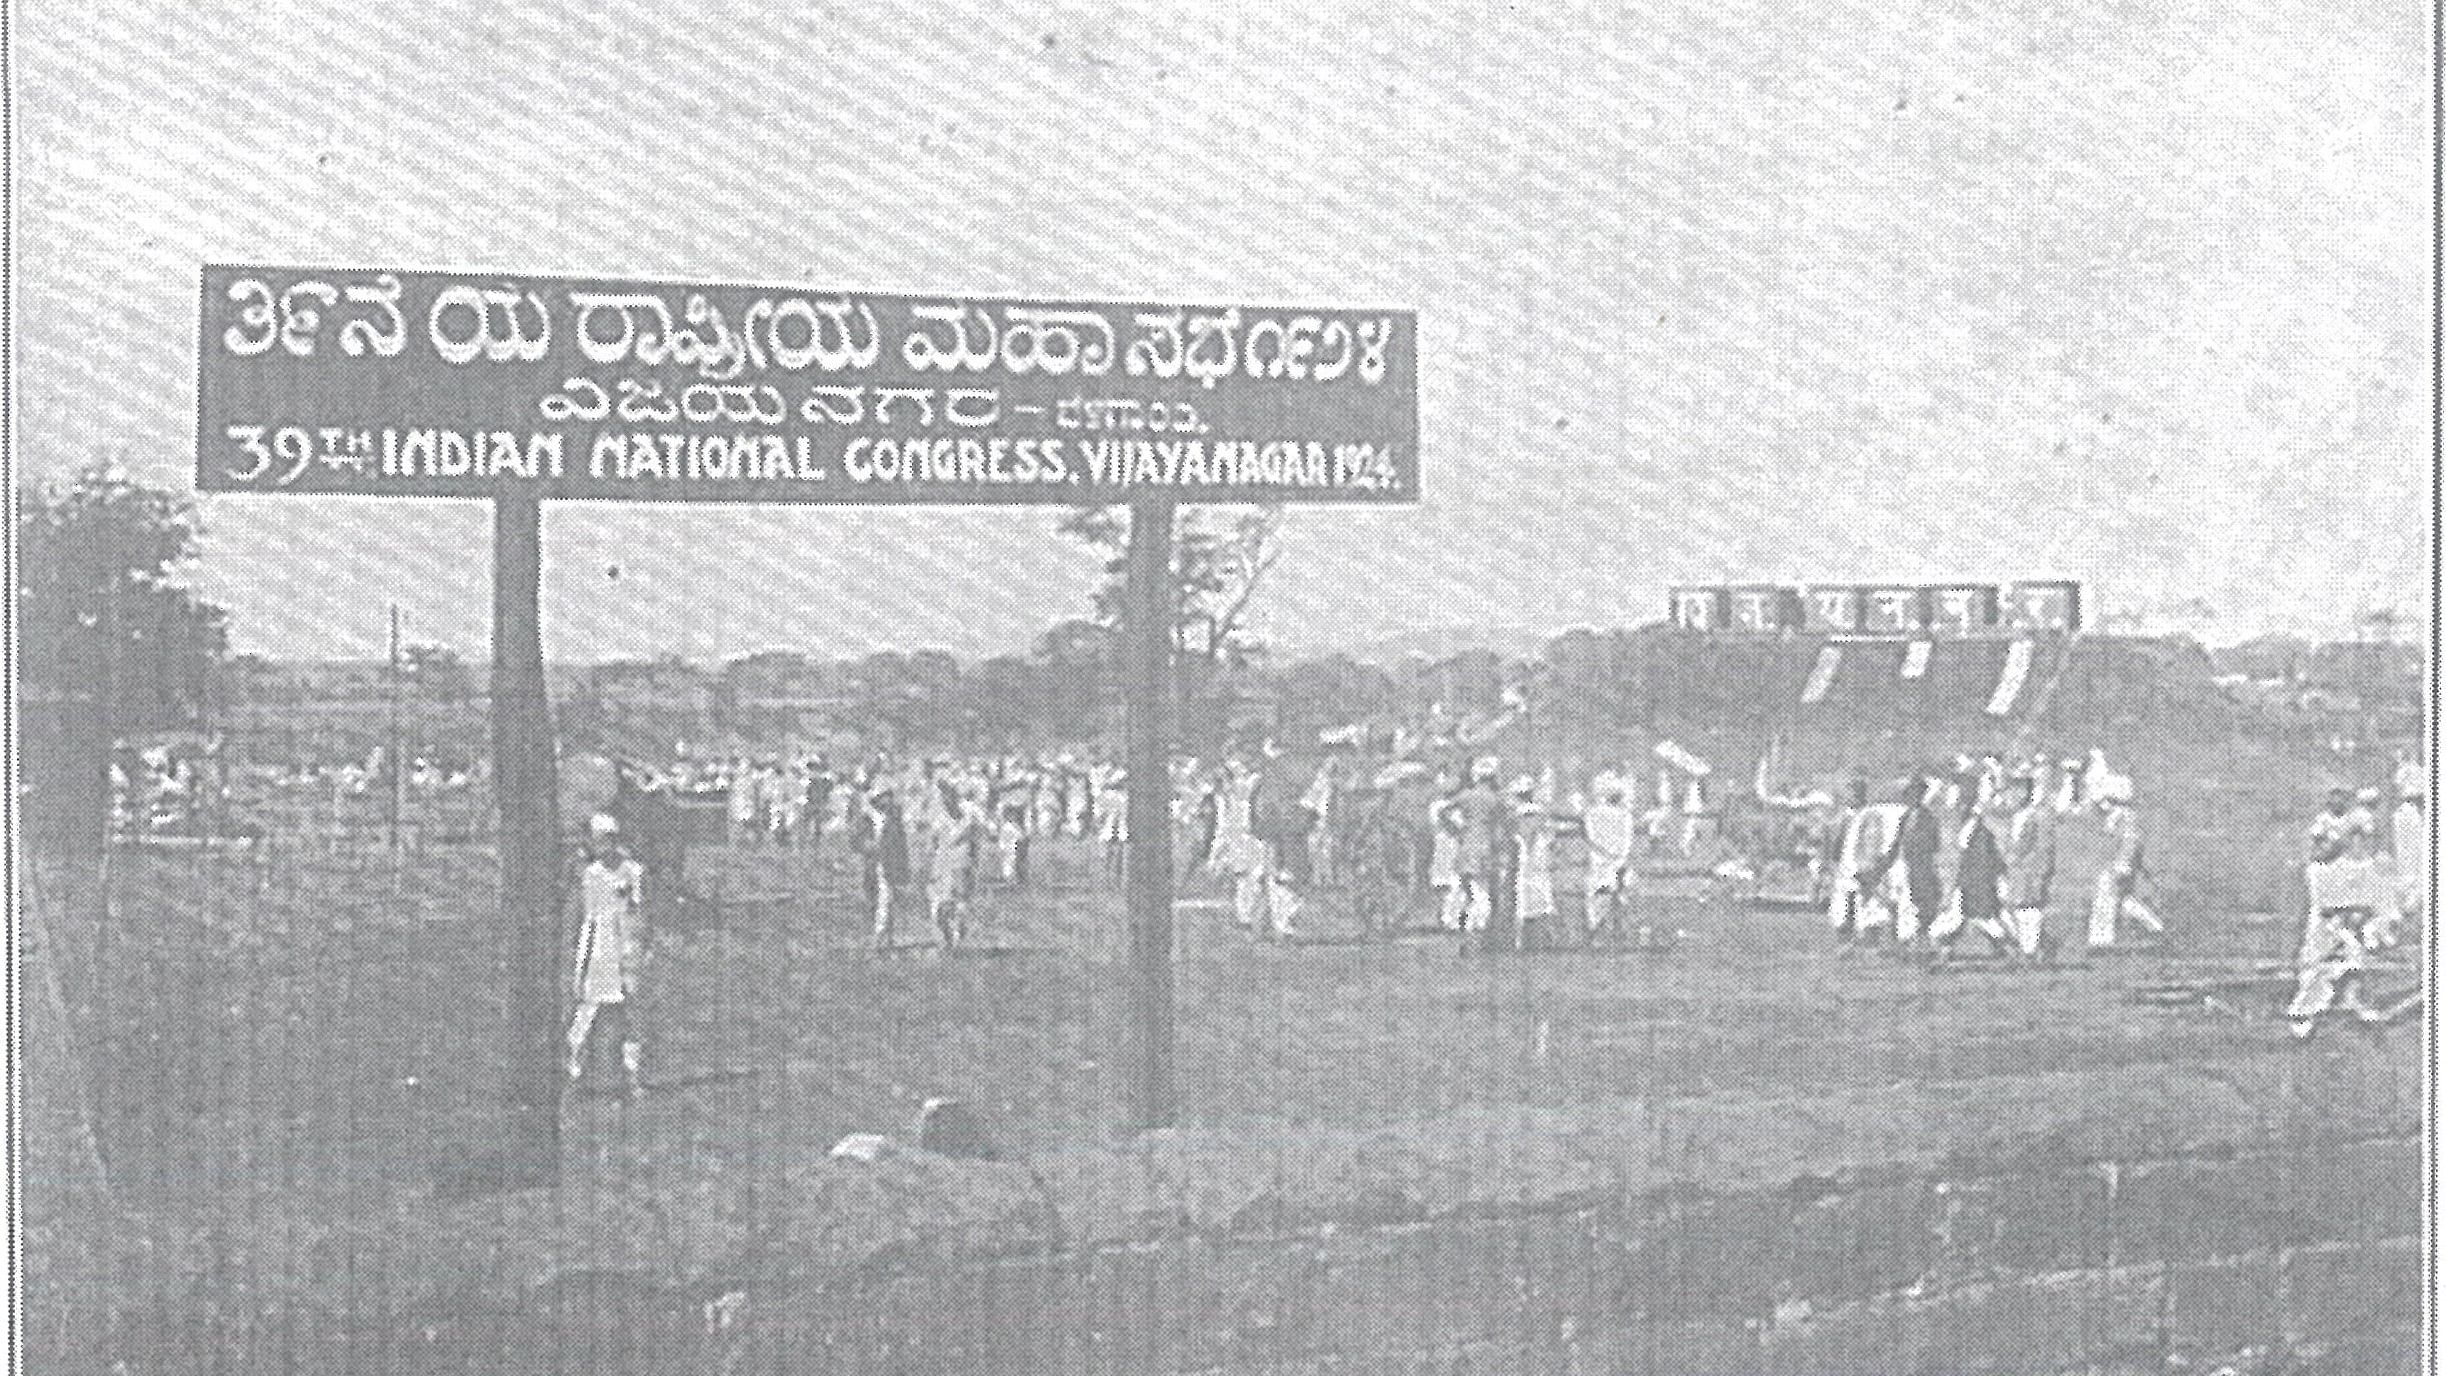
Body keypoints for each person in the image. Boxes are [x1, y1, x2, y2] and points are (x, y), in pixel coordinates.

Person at [566, 814, 647, 1099]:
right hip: (599, 950)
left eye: (609, 839)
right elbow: (588, 918)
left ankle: (632, 1076)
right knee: (587, 1010)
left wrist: (635, 949)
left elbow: (637, 913)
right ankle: (574, 1075)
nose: (603, 846)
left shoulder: (633, 871)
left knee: (631, 1015)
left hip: (626, 949)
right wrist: (583, 959)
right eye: (598, 840)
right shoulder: (590, 874)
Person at [2088, 778, 2163, 948]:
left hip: (2119, 865)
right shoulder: (2118, 816)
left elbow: (2130, 843)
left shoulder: (2125, 818)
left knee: (2106, 897)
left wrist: (2123, 863)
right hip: (2115, 864)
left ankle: (2101, 939)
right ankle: (2154, 926)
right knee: (2124, 899)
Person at [1997, 771, 2056, 960]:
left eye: (2016, 791)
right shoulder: (2016, 817)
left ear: (2026, 792)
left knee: (2028, 910)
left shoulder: (2038, 816)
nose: (2011, 796)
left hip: (2030, 873)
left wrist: (2039, 875)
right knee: (2011, 909)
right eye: (2010, 791)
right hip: (2015, 872)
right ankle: (2040, 944)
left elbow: (2045, 849)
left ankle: (2030, 952)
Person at [1582, 773, 1639, 945]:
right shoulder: (1625, 815)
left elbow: (1590, 836)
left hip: (1601, 863)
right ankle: (1618, 933)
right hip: (1618, 862)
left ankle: (1597, 934)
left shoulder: (1593, 813)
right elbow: (1626, 843)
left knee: (1598, 899)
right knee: (1619, 898)